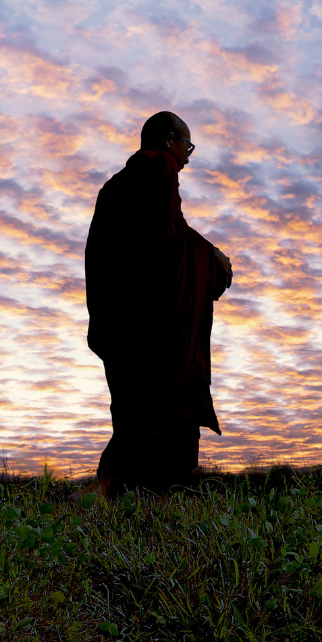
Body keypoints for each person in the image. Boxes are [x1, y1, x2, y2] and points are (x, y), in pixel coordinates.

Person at [84, 111, 233, 496]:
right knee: (158, 419)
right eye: (187, 145)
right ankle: (139, 497)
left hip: (120, 323)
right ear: (169, 140)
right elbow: (165, 249)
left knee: (132, 416)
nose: (189, 155)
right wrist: (211, 258)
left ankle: (119, 497)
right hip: (155, 329)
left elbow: (157, 239)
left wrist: (199, 249)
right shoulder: (159, 169)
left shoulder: (112, 189)